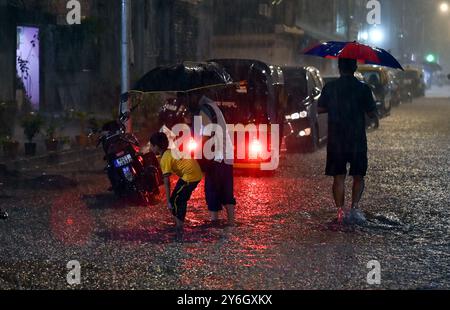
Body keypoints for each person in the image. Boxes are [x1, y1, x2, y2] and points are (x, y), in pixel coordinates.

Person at [318, 58, 377, 225]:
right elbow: (372, 113)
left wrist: (335, 106)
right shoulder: (363, 89)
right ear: (355, 68)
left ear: (339, 68)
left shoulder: (330, 88)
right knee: (358, 175)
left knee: (339, 177)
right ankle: (355, 208)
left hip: (337, 139)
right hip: (357, 139)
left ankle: (339, 212)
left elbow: (320, 108)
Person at [188, 94, 236, 226]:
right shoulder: (212, 106)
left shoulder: (204, 108)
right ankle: (229, 222)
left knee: (212, 189)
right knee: (224, 188)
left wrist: (199, 146)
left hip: (217, 155)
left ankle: (216, 222)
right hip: (224, 154)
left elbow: (208, 130)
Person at [149, 132, 203, 230]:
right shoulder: (169, 152)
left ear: (156, 146)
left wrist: (168, 200)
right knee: (178, 198)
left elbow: (167, 181)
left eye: (151, 146)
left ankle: (179, 227)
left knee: (176, 200)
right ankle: (179, 223)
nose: (150, 148)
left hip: (191, 176)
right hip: (193, 172)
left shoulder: (165, 158)